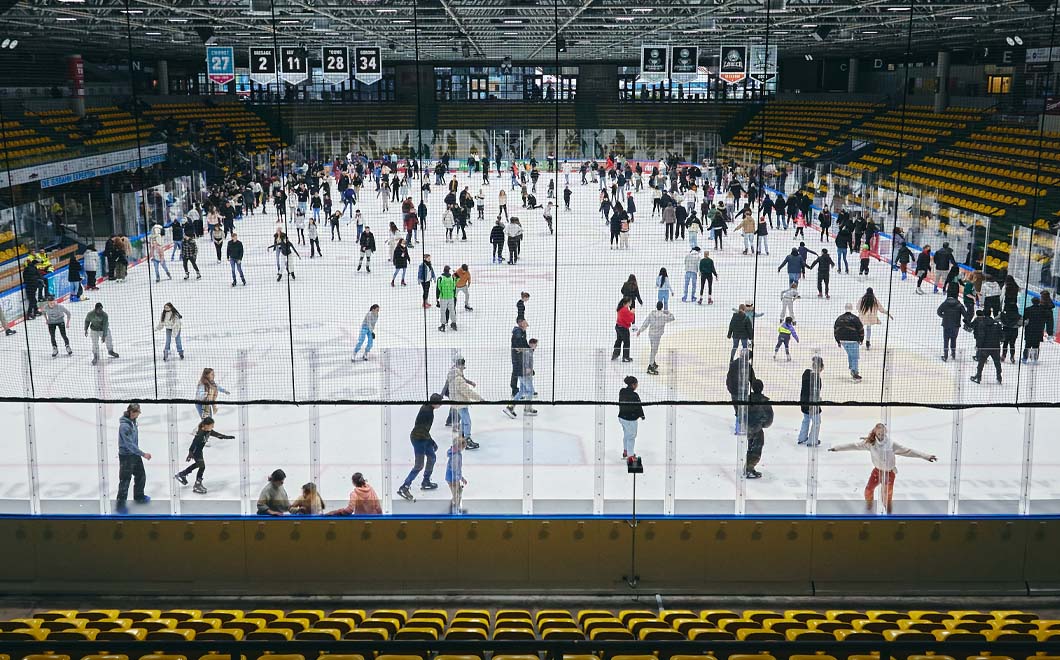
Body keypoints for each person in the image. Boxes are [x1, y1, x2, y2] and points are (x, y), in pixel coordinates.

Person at [828, 423, 937, 514]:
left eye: (882, 433)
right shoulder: (870, 443)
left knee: (887, 496)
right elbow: (853, 445)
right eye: (878, 433)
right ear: (875, 433)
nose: (880, 435)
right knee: (868, 490)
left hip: (889, 473)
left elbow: (908, 451)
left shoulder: (891, 444)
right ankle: (869, 506)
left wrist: (926, 456)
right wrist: (836, 448)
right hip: (877, 472)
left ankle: (888, 512)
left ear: (886, 432)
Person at [397, 393, 444, 501]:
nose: (441, 405)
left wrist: (431, 442)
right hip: (418, 439)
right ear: (435, 403)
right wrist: (431, 442)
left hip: (424, 438)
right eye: (440, 403)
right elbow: (422, 430)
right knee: (419, 465)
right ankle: (404, 487)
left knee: (432, 457)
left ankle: (426, 481)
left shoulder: (429, 408)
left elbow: (424, 430)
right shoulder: (427, 412)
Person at [174, 416, 233, 495]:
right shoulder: (200, 434)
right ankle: (197, 484)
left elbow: (217, 435)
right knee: (202, 466)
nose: (213, 427)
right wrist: (190, 454)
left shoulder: (208, 431)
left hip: (199, 451)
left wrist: (227, 437)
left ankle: (182, 474)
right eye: (212, 425)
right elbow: (193, 444)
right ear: (206, 425)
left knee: (199, 465)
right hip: (195, 452)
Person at [115, 403, 151, 514]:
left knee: (141, 475)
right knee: (125, 480)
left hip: (134, 454)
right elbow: (129, 444)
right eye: (137, 413)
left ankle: (139, 496)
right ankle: (120, 505)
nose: (138, 415)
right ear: (131, 412)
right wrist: (143, 454)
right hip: (126, 456)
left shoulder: (133, 422)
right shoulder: (125, 426)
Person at [447, 357, 483, 447]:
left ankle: (462, 438)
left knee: (464, 420)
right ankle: (467, 440)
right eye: (463, 367)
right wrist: (480, 399)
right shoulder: (458, 378)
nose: (464, 369)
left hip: (457, 402)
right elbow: (467, 392)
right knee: (467, 422)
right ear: (460, 366)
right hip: (461, 403)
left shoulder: (453, 375)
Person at [744, 379, 774, 480]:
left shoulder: (747, 399)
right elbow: (769, 419)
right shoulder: (764, 402)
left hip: (748, 428)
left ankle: (748, 466)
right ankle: (749, 469)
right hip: (757, 429)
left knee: (750, 447)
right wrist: (763, 424)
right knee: (756, 449)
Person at [637, 301, 675, 376]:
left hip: (651, 334)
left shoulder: (651, 314)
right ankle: (650, 366)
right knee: (654, 350)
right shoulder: (664, 316)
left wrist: (640, 330)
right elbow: (672, 318)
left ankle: (652, 362)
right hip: (657, 336)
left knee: (653, 349)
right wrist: (668, 312)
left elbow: (646, 323)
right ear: (662, 307)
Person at [726, 348, 756, 435]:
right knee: (744, 410)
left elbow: (728, 378)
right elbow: (753, 381)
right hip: (743, 392)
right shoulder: (748, 367)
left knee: (737, 410)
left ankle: (738, 428)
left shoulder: (733, 364)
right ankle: (744, 428)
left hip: (734, 391)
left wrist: (730, 388)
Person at [969, 309, 1003, 384]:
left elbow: (981, 336)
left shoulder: (982, 323)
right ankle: (999, 377)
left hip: (985, 346)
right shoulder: (997, 323)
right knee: (997, 363)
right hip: (996, 347)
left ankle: (978, 377)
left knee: (981, 362)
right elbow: (1002, 336)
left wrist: (978, 346)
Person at [834, 304, 865, 382]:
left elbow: (835, 329)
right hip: (853, 339)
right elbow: (861, 329)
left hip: (842, 340)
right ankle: (854, 372)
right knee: (855, 356)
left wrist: (838, 340)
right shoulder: (855, 318)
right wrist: (861, 339)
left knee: (850, 355)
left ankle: (852, 368)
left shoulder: (839, 318)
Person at [618, 375, 645, 462]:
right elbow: (638, 406)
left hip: (622, 418)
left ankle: (626, 451)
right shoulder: (634, 395)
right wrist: (642, 415)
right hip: (630, 419)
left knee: (626, 434)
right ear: (633, 385)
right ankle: (630, 456)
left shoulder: (622, 391)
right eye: (636, 384)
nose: (637, 385)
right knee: (631, 437)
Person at [798, 356, 824, 446]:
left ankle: (802, 438)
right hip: (812, 404)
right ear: (820, 367)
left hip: (803, 402)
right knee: (817, 422)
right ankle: (812, 440)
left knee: (806, 419)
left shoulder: (806, 373)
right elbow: (814, 393)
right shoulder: (817, 379)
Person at [84, 301, 118, 366]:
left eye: (101, 309)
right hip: (94, 330)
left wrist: (104, 336)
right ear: (95, 309)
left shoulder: (105, 315)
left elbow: (105, 326)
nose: (100, 310)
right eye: (99, 309)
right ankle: (95, 355)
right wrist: (86, 329)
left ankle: (110, 351)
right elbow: (87, 321)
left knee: (109, 340)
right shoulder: (90, 314)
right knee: (94, 343)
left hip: (103, 330)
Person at [1023, 296, 1051, 363]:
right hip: (1038, 331)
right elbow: (1048, 317)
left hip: (1029, 330)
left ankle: (1025, 358)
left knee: (1027, 345)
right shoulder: (1043, 311)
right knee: (1036, 345)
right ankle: (1035, 359)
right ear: (1039, 302)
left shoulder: (1027, 309)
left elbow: (1024, 319)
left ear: (1032, 302)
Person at [937, 294, 964, 362]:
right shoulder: (959, 304)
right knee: (953, 339)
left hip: (946, 324)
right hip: (955, 325)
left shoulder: (945, 303)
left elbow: (939, 312)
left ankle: (945, 356)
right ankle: (953, 354)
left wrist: (944, 316)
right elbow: (965, 314)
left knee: (946, 340)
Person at [446, 434, 468, 515]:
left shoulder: (455, 453)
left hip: (452, 477)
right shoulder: (456, 456)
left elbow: (456, 469)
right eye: (463, 447)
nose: (464, 448)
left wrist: (461, 478)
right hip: (452, 478)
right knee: (457, 494)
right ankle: (456, 509)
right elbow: (455, 469)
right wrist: (459, 478)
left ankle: (455, 506)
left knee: (457, 492)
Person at [612, 298, 635, 362]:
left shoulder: (620, 308)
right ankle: (625, 357)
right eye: (630, 302)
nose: (630, 304)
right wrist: (632, 313)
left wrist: (630, 312)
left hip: (618, 327)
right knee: (626, 342)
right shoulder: (625, 310)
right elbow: (630, 320)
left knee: (618, 340)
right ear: (626, 303)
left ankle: (615, 354)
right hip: (623, 328)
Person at [437, 265, 458, 332]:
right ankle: (454, 324)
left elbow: (438, 289)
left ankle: (443, 325)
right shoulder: (452, 278)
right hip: (451, 297)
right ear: (449, 270)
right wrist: (454, 296)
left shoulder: (440, 278)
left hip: (443, 298)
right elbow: (454, 287)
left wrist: (437, 298)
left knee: (443, 311)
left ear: (443, 270)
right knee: (452, 310)